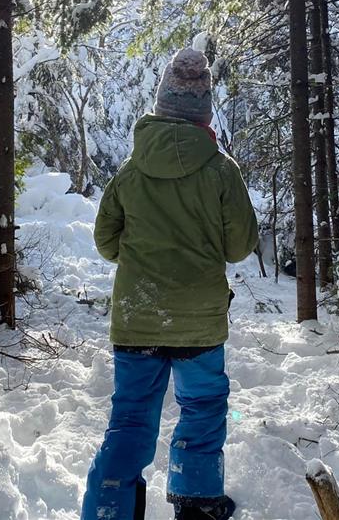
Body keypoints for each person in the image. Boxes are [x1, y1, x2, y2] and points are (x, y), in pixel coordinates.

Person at [80, 47, 259, 520]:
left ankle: (109, 508)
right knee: (201, 408)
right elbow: (240, 246)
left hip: (138, 314)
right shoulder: (222, 170)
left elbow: (105, 241)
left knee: (131, 417)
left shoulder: (130, 171)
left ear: (160, 105)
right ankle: (199, 504)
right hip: (199, 321)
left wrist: (141, 259)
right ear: (204, 112)